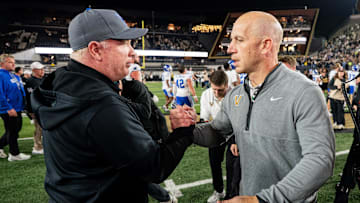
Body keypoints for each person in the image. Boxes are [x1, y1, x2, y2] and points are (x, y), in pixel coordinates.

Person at [30, 9, 195, 202]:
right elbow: (153, 167)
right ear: (95, 50)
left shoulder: (59, 81)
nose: (133, 52)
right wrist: (183, 132)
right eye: (124, 43)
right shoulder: (101, 104)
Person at [190, 11, 335, 203]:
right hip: (249, 195)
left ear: (265, 45)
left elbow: (320, 160)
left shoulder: (304, 92)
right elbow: (217, 131)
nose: (229, 48)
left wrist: (261, 200)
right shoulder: (236, 94)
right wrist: (186, 131)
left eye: (239, 40)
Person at [121, 62, 177, 203]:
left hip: (150, 133)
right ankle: (164, 197)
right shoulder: (135, 86)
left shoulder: (137, 86)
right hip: (144, 132)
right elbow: (153, 99)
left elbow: (146, 112)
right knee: (137, 173)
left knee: (137, 173)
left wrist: (121, 101)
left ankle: (164, 197)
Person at [200, 70, 240, 202]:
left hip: (233, 134)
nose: (217, 94)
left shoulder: (237, 95)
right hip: (215, 132)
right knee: (214, 163)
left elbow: (239, 120)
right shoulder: (206, 95)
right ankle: (219, 191)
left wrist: (235, 140)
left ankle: (231, 195)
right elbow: (205, 118)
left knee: (232, 166)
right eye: (214, 90)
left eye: (220, 90)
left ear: (227, 85)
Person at [0, 54, 31, 161]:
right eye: (9, 62)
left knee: (14, 130)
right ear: (2, 63)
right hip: (9, 109)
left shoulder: (13, 75)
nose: (13, 64)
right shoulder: (1, 75)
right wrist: (8, 108)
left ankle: (0, 146)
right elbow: (0, 93)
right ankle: (14, 154)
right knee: (13, 131)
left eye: (13, 62)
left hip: (17, 108)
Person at [25, 61, 45, 155]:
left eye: (42, 69)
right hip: (36, 108)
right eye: (40, 69)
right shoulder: (30, 82)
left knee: (45, 128)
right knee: (39, 128)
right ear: (33, 70)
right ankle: (37, 147)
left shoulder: (43, 79)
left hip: (45, 107)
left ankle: (42, 145)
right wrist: (30, 111)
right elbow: (28, 98)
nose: (42, 71)